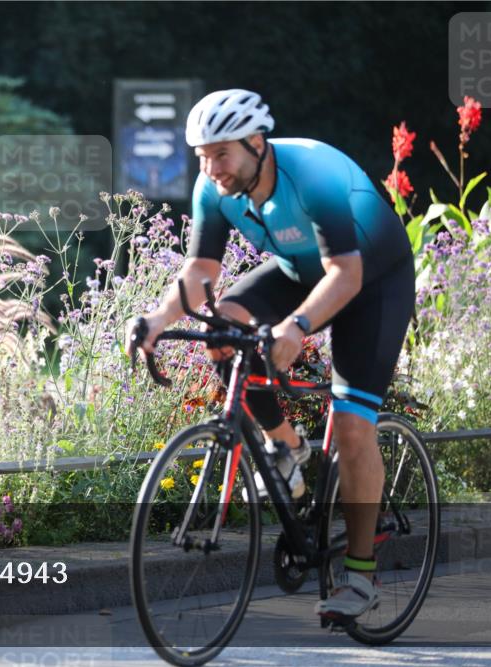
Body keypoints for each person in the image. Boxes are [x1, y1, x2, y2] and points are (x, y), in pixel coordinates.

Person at [125, 89, 415, 621]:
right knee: (223, 328)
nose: (211, 167)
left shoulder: (313, 175)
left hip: (372, 279)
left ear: (257, 143)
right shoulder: (216, 187)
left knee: (352, 426)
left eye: (221, 154)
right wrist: (157, 320)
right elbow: (200, 273)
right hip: (299, 272)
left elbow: (346, 274)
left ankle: (360, 575)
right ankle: (288, 448)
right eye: (202, 156)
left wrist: (298, 327)